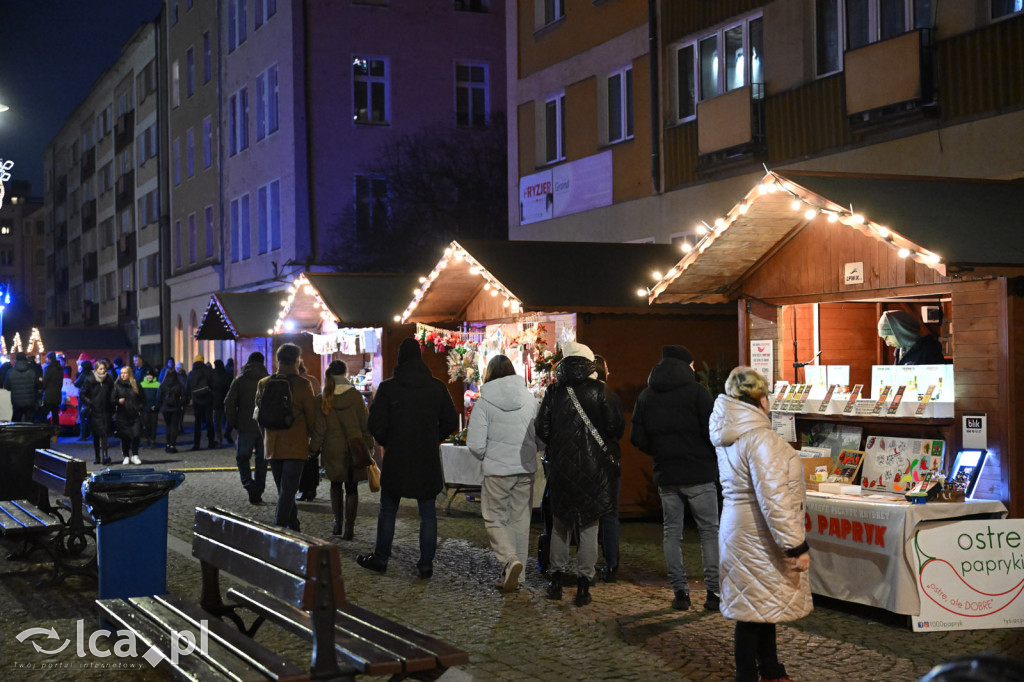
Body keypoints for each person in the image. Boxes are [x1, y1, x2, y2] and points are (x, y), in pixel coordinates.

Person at [709, 367, 811, 682]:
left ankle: (770, 668)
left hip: (738, 526)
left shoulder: (731, 433)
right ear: (762, 400)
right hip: (758, 531)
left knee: (759, 603)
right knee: (752, 612)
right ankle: (748, 675)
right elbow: (774, 498)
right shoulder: (760, 439)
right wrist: (795, 546)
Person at [357, 338, 459, 579]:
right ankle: (426, 564)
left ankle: (381, 558)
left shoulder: (388, 388)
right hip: (426, 457)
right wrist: (433, 437)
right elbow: (451, 421)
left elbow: (374, 423)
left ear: (400, 359)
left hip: (397, 456)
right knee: (428, 513)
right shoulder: (436, 387)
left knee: (388, 509)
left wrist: (388, 441)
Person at [630, 344, 721, 611]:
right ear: (686, 365)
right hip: (700, 474)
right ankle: (713, 593)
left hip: (667, 474)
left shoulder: (647, 395)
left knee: (672, 533)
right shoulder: (699, 393)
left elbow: (637, 437)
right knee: (709, 532)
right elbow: (713, 432)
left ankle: (680, 593)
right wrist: (707, 454)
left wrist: (660, 451)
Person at [537, 341, 623, 607]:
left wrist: (560, 444)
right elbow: (615, 428)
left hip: (561, 467)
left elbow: (542, 429)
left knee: (560, 524)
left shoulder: (553, 392)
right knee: (589, 525)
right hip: (594, 468)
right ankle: (584, 584)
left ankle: (555, 579)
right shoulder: (601, 391)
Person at [466, 354, 539, 592]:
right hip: (525, 469)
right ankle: (519, 575)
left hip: (497, 471)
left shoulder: (484, 403)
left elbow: (475, 445)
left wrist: (490, 455)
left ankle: (509, 560)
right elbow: (540, 438)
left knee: (495, 518)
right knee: (520, 520)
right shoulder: (530, 400)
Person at [256, 343, 317, 531]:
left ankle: (295, 527)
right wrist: (314, 443)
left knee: (285, 491)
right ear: (297, 360)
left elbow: (258, 416)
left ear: (277, 360)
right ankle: (278, 532)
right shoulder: (303, 385)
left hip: (272, 446)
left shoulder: (264, 383)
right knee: (287, 492)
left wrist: (266, 437)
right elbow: (312, 417)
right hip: (295, 446)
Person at [309, 360, 373, 538]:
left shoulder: (323, 397)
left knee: (335, 485)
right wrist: (369, 444)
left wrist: (313, 448)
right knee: (352, 488)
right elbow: (364, 423)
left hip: (332, 448)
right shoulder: (355, 395)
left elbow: (319, 429)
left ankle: (337, 523)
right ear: (345, 373)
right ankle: (349, 528)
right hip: (354, 447)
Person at [224, 351, 269, 505]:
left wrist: (235, 423)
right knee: (262, 460)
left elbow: (229, 403)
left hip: (245, 426)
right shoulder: (268, 380)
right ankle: (259, 489)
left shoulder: (240, 380)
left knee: (242, 458)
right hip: (264, 427)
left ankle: (249, 484)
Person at [877, 310, 945, 365]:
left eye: (886, 337)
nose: (887, 344)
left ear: (899, 331)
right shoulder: (899, 352)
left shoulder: (929, 351)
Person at [296, 359, 322, 501]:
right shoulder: (313, 380)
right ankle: (312, 488)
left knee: (300, 460)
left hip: (299, 426)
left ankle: (304, 489)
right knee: (312, 458)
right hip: (314, 425)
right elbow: (319, 401)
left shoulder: (294, 382)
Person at [81, 360, 115, 464]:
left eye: (104, 368)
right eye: (100, 369)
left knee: (104, 433)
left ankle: (105, 456)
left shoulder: (109, 379)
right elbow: (82, 393)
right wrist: (90, 402)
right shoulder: (90, 379)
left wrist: (112, 404)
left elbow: (112, 392)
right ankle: (97, 457)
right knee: (96, 435)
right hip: (94, 411)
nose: (103, 370)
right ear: (96, 370)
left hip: (105, 410)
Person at [112, 365, 144, 465]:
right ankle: (126, 456)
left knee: (136, 435)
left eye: (125, 373)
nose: (123, 375)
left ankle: (135, 455)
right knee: (124, 437)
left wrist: (139, 408)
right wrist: (118, 401)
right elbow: (111, 399)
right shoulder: (116, 385)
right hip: (122, 415)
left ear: (129, 374)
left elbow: (142, 398)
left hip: (134, 415)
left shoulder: (136, 384)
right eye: (121, 373)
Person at [187, 354, 217, 450]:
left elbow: (187, 386)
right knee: (209, 420)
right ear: (203, 361)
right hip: (207, 398)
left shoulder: (191, 372)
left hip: (196, 400)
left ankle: (196, 444)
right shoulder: (208, 371)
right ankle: (211, 442)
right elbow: (213, 384)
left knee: (198, 422)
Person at [5, 352, 40, 422]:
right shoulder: (32, 372)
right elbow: (37, 385)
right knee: (29, 423)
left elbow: (7, 387)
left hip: (16, 402)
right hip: (30, 402)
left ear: (16, 359)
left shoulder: (10, 372)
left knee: (17, 423)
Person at [158, 367, 186, 454]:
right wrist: (180, 404)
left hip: (166, 408)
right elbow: (184, 397)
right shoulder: (179, 384)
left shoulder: (163, 384)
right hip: (176, 408)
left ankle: (168, 445)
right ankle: (172, 446)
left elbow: (158, 397)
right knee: (174, 426)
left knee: (168, 426)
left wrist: (162, 404)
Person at [39, 352, 64, 428]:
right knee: (55, 415)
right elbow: (60, 383)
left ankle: (46, 430)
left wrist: (41, 382)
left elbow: (45, 382)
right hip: (57, 395)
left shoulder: (48, 369)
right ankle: (55, 432)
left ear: (49, 359)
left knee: (43, 415)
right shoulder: (60, 369)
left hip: (48, 396)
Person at [210, 359, 232, 446]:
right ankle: (227, 432)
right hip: (226, 400)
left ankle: (219, 438)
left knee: (217, 421)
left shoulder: (212, 374)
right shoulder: (227, 374)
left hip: (216, 401)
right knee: (229, 418)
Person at [139, 371, 161, 448]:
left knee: (153, 425)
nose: (149, 377)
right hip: (145, 408)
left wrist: (156, 405)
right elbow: (140, 397)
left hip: (154, 408)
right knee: (145, 425)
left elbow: (159, 396)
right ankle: (146, 440)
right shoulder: (141, 384)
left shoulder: (157, 384)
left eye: (151, 375)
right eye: (148, 375)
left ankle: (152, 441)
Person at [75, 359, 94, 440]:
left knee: (82, 416)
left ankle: (83, 435)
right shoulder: (93, 374)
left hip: (83, 398)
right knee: (91, 416)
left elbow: (76, 383)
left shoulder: (83, 374)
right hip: (91, 397)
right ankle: (92, 434)